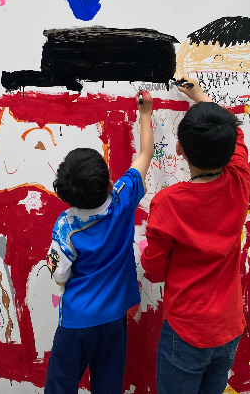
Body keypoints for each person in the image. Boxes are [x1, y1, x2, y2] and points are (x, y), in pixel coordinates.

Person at [140, 78, 250, 394]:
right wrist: (200, 96)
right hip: (228, 327)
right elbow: (237, 133)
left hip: (187, 330)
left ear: (179, 150)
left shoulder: (169, 202)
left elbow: (153, 270)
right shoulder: (240, 179)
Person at [43, 91, 154, 394]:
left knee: (60, 388)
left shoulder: (66, 227)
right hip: (114, 319)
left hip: (77, 324)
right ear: (108, 182)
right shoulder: (123, 198)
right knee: (108, 387)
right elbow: (145, 154)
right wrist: (145, 113)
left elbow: (59, 275)